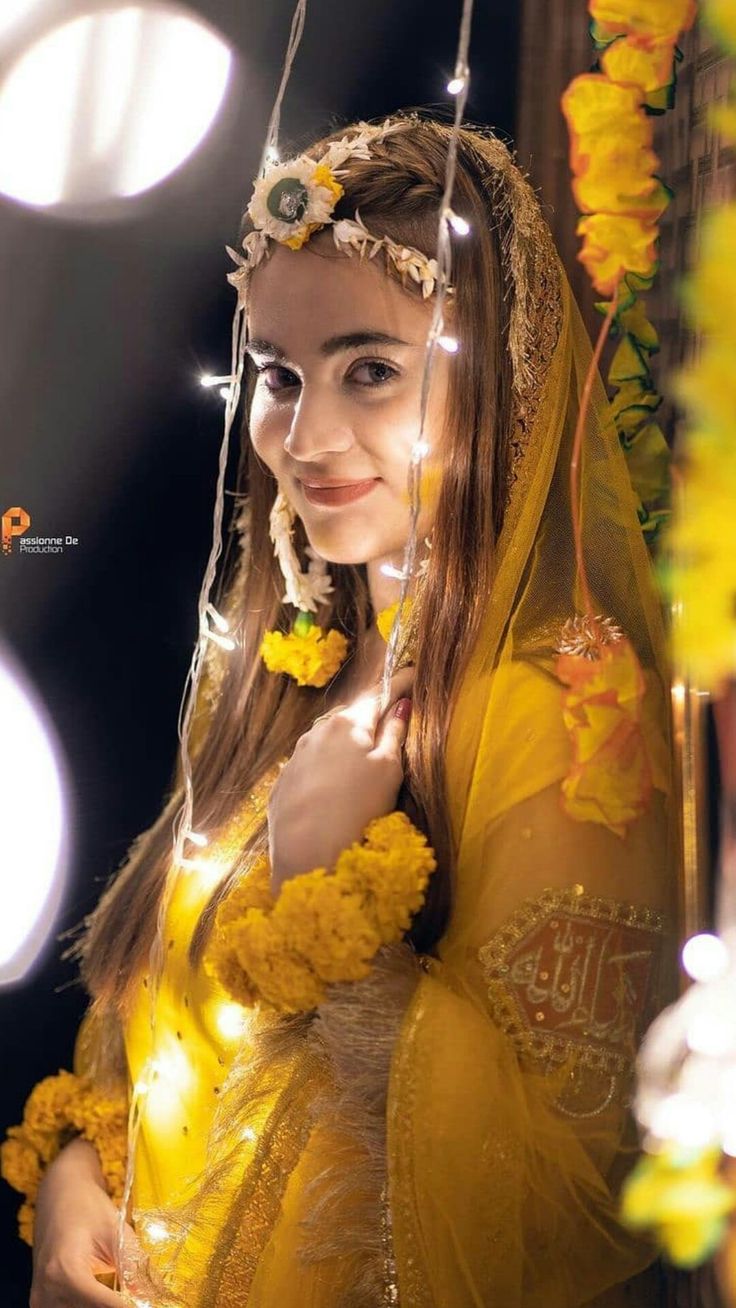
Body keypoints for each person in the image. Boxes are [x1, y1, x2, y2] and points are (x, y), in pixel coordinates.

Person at [4, 111, 678, 1308]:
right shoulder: (282, 666)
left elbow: (560, 1193)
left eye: (370, 369)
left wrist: (328, 901)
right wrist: (73, 1182)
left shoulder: (563, 717)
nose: (304, 438)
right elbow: (149, 1013)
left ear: (497, 378)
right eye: (276, 376)